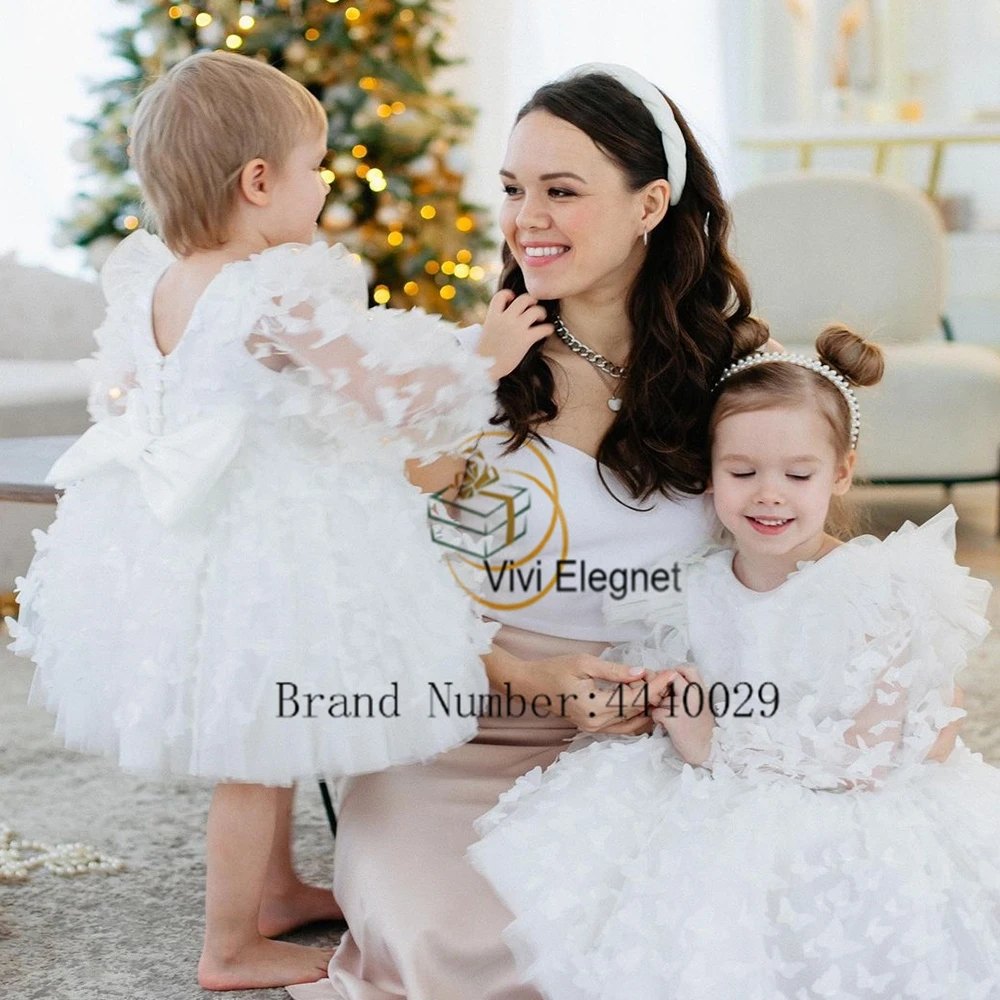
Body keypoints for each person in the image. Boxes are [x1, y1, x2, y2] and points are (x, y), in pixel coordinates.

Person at [289, 64, 940, 1000]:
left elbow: (787, 537)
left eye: (562, 191)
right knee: (465, 948)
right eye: (513, 189)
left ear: (651, 205)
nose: (527, 219)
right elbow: (379, 584)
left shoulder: (726, 370)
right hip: (467, 724)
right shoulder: (471, 367)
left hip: (656, 731)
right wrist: (532, 677)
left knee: (696, 933)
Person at [5, 51, 549, 992]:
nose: (326, 183)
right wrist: (486, 356)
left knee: (268, 721)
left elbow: (132, 390)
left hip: (198, 538)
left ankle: (276, 890)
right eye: (315, 166)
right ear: (260, 182)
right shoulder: (276, 290)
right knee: (255, 756)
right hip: (273, 543)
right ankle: (229, 947)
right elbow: (382, 391)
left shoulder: (160, 280)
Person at [468, 325, 1000, 1000]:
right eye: (742, 473)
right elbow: (671, 678)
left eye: (798, 474)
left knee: (816, 906)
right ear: (708, 473)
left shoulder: (880, 591)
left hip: (849, 800)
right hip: (723, 775)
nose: (769, 494)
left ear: (839, 473)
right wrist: (655, 701)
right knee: (640, 886)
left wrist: (714, 742)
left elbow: (869, 759)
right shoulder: (694, 583)